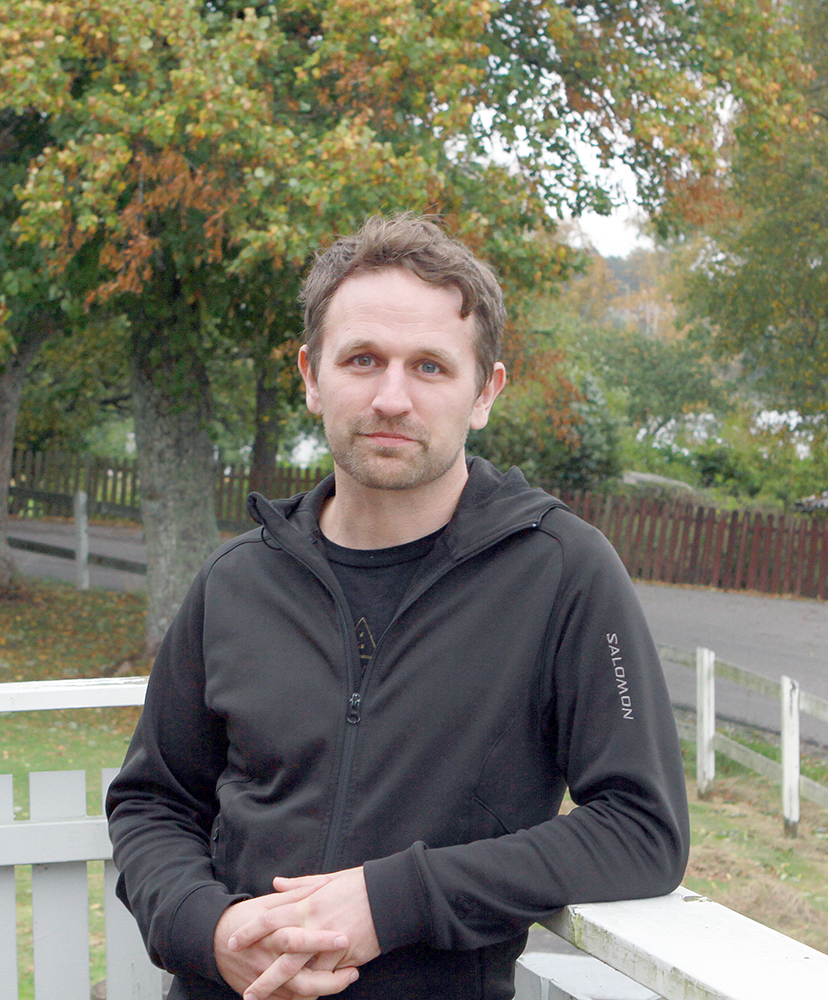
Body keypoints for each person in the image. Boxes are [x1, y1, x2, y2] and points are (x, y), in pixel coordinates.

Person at [106, 214, 689, 1000]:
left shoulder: (563, 574)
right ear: (311, 376)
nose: (391, 397)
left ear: (485, 392)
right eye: (363, 359)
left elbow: (642, 829)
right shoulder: (235, 580)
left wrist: (394, 901)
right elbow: (153, 800)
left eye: (430, 367)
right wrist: (208, 931)